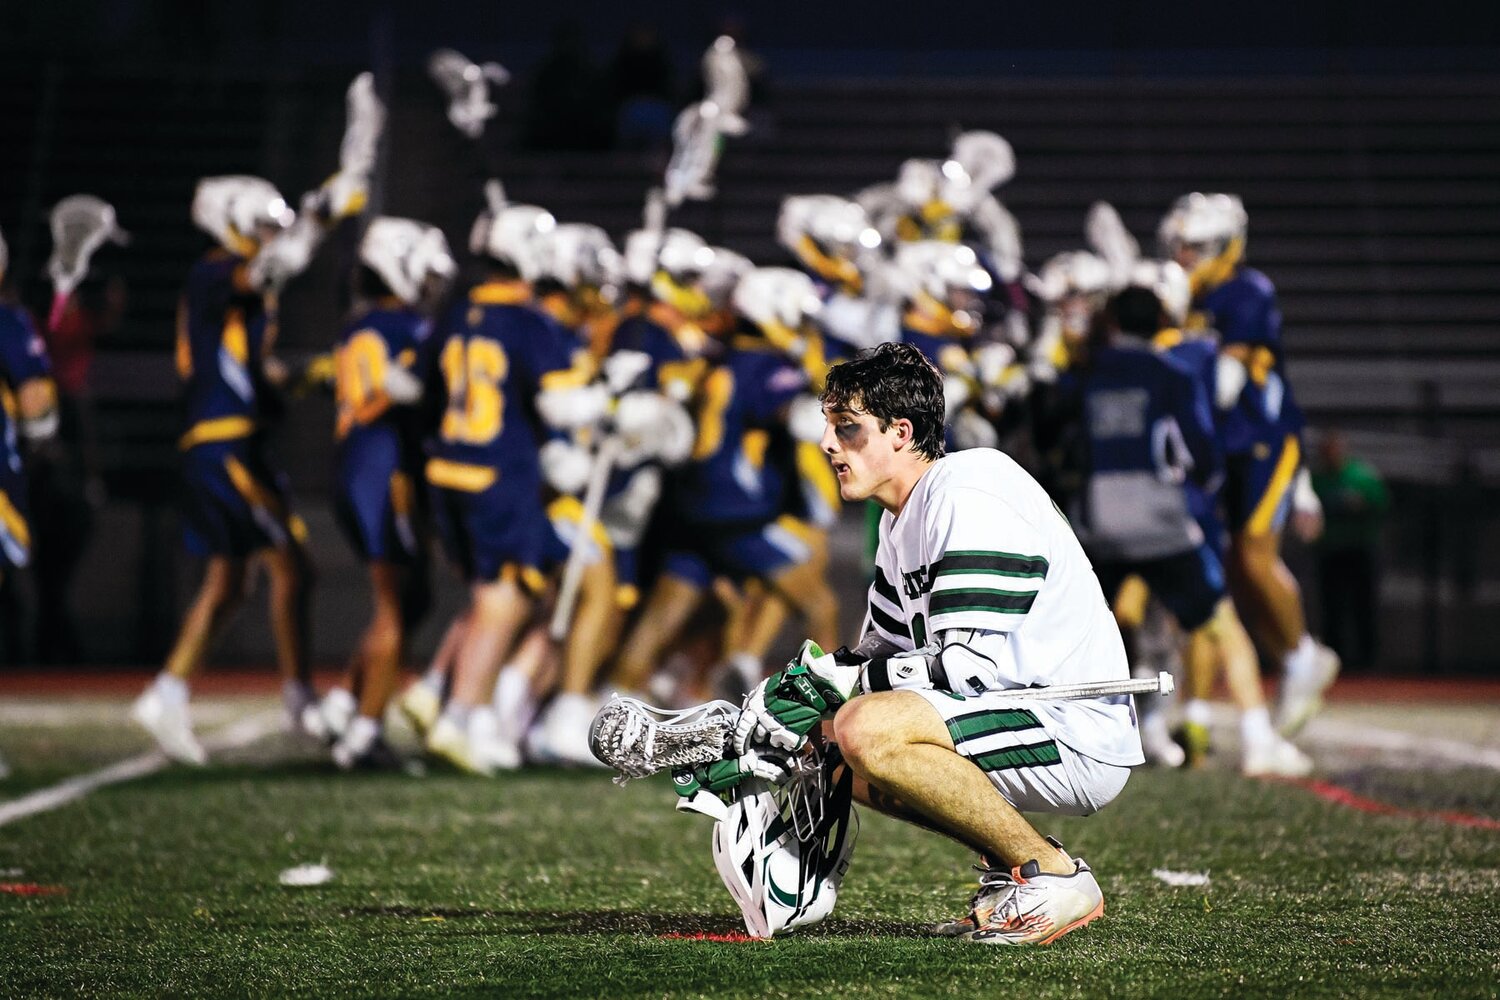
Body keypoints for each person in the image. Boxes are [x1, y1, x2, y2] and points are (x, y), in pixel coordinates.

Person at [734, 342, 1143, 945]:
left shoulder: (967, 493)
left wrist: (839, 689)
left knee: (865, 730)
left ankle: (1050, 873)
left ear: (901, 432)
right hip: (1022, 710)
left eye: (847, 429)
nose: (828, 444)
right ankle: (1015, 868)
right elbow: (878, 655)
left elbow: (967, 670)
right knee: (828, 744)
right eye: (828, 427)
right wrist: (783, 698)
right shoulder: (905, 519)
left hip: (1072, 725)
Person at [1159, 193, 1338, 736]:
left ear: (1224, 246)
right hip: (1226, 449)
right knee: (1236, 568)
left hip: (1262, 441)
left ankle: (1303, 655)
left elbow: (1226, 383)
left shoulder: (1246, 291)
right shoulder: (1193, 300)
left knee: (1256, 559)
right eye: (1180, 246)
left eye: (1195, 247)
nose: (1184, 256)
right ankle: (1291, 657)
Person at [1310, 429, 1388, 670]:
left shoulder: (1361, 476)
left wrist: (1360, 505)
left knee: (1363, 606)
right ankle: (1336, 662)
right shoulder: (1317, 479)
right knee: (1332, 608)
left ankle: (1368, 662)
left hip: (1359, 549)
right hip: (1331, 551)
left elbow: (1382, 504)